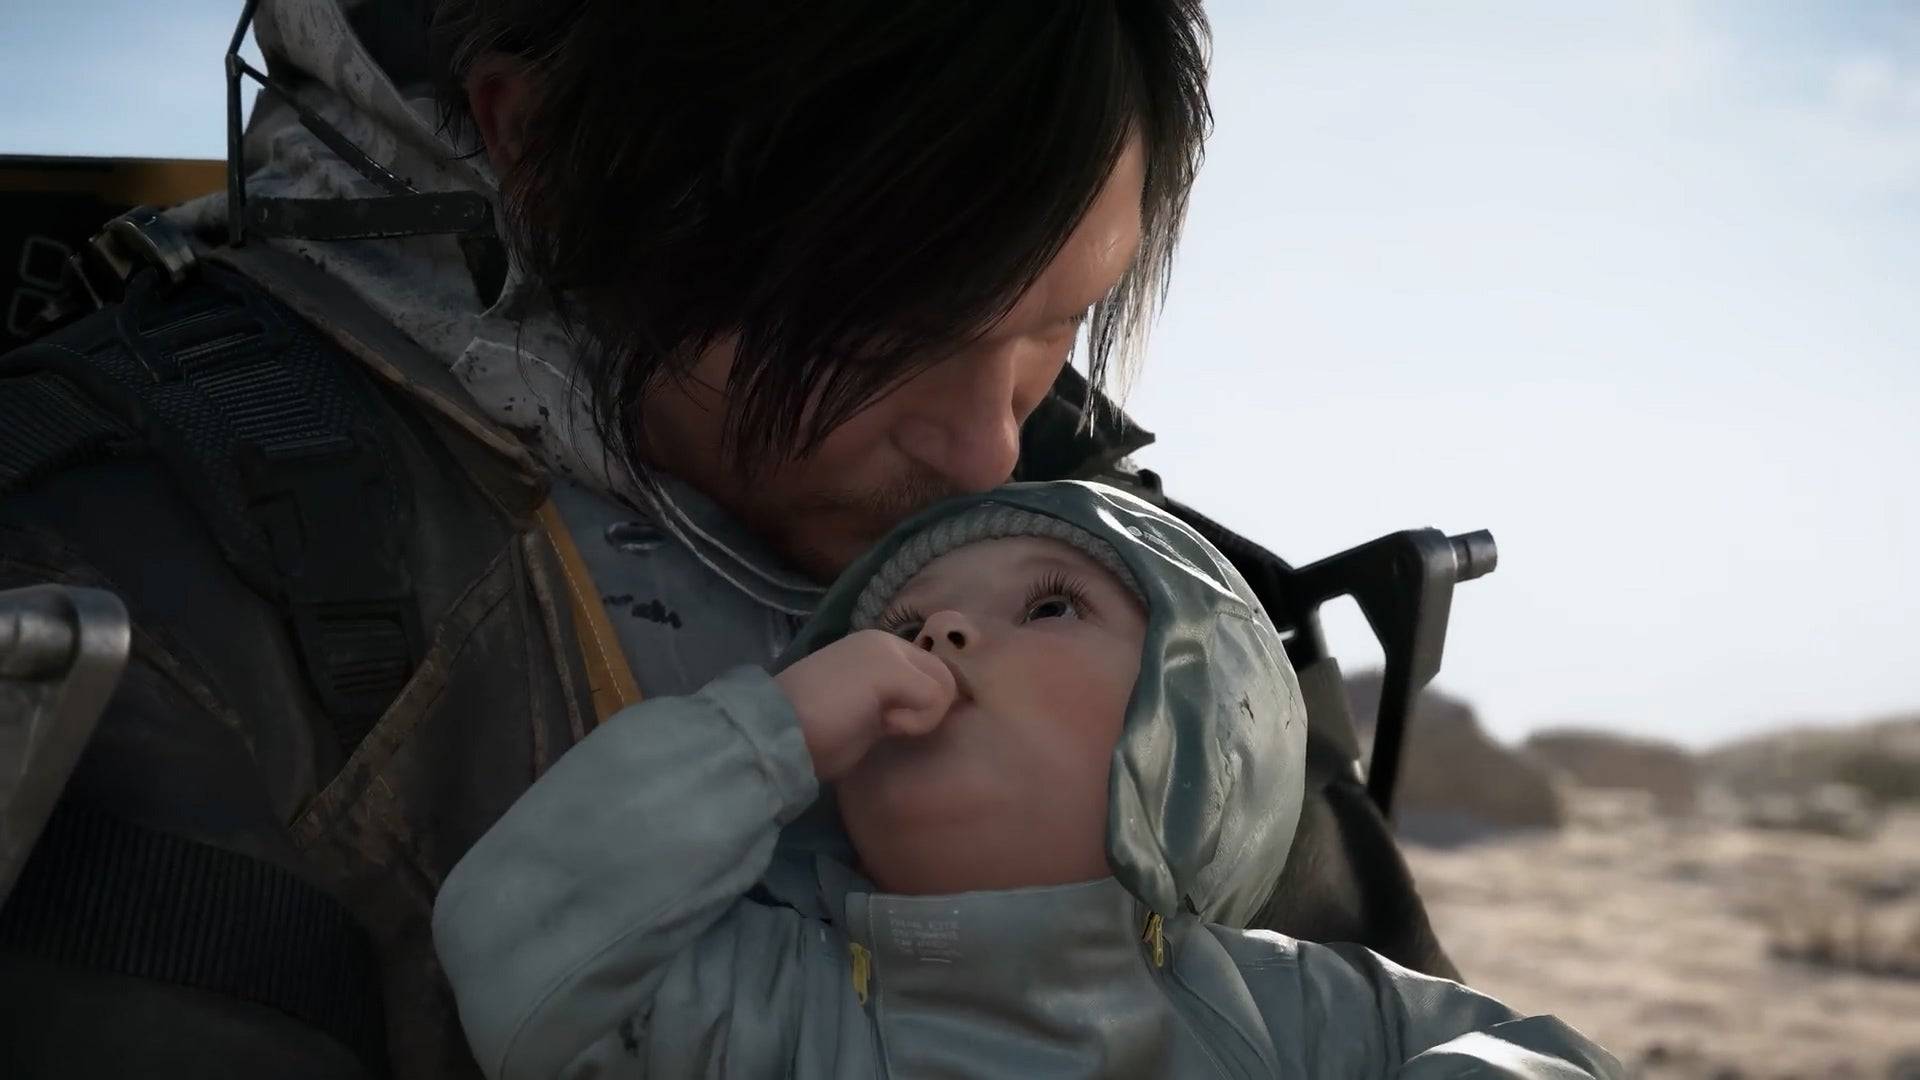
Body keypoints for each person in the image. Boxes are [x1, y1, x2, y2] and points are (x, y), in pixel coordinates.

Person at [0, 3, 1449, 1078]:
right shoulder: (158, 570)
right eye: (884, 335)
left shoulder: (1128, 556)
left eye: (1053, 326)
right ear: (544, 150)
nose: (988, 451)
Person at [434, 482, 1621, 1080]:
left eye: (1050, 606)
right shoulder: (776, 1001)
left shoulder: (1289, 1003)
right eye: (897, 626)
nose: (938, 634)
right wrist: (768, 731)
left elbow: (1549, 1060)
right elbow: (516, 948)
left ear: (1206, 716)